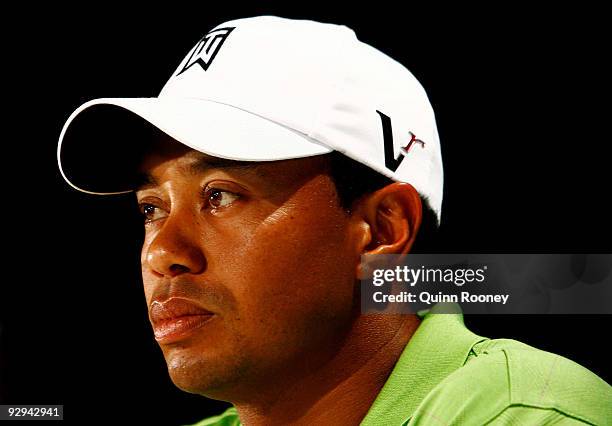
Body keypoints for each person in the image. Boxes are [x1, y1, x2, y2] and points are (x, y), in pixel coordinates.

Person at [57, 16, 611, 426]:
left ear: (382, 230)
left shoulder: (528, 414)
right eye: (151, 209)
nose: (161, 253)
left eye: (220, 195)